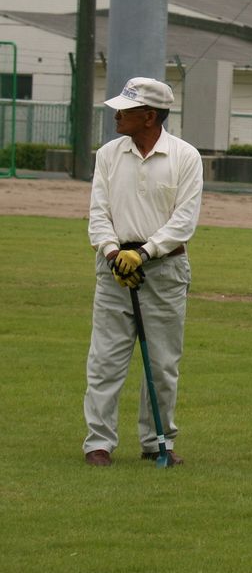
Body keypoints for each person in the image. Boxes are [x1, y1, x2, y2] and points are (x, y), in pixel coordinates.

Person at [84, 77, 203, 466]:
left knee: (163, 365)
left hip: (165, 269)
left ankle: (157, 443)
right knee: (105, 360)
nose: (117, 115)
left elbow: (184, 221)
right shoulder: (108, 154)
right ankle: (98, 443)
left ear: (149, 116)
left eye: (127, 109)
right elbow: (99, 212)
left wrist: (146, 253)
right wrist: (113, 251)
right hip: (113, 267)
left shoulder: (185, 157)